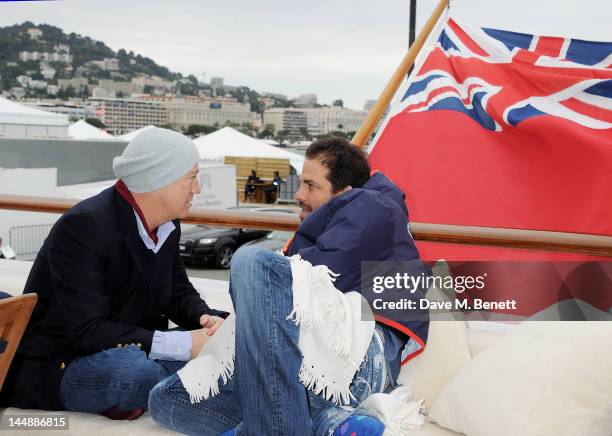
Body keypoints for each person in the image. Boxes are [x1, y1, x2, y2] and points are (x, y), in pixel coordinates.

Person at [149, 137, 429, 435]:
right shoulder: (358, 214)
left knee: (251, 260)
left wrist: (257, 296)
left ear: (344, 192)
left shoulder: (371, 206)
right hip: (308, 360)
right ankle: (329, 425)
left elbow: (311, 282)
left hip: (356, 360)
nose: (298, 194)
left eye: (311, 185)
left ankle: (278, 429)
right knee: (166, 399)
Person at [0, 127, 227, 419]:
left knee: (226, 335)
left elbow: (177, 293)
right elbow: (87, 331)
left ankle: (176, 381)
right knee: (133, 372)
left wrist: (205, 319)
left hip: (132, 347)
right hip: (61, 363)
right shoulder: (84, 227)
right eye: (191, 178)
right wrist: (183, 344)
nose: (197, 188)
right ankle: (181, 382)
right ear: (160, 181)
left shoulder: (166, 225)